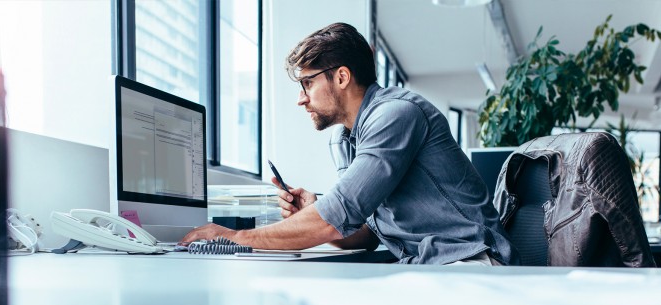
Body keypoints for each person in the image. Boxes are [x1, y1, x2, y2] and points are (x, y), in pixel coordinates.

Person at [181, 22, 519, 265]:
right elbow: (367, 234)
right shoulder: (343, 138)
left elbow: (334, 217)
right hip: (425, 266)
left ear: (341, 77)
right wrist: (314, 210)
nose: (301, 99)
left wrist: (233, 238)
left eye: (307, 83)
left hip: (470, 261)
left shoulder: (397, 115)